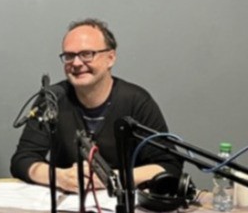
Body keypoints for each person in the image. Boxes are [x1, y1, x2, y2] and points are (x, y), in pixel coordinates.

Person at [10, 18, 183, 193]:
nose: (76, 63)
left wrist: (110, 178)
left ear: (110, 58)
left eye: (87, 54)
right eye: (69, 56)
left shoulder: (136, 101)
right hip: (70, 203)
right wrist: (60, 177)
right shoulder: (52, 99)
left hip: (124, 205)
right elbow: (22, 160)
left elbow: (169, 165)